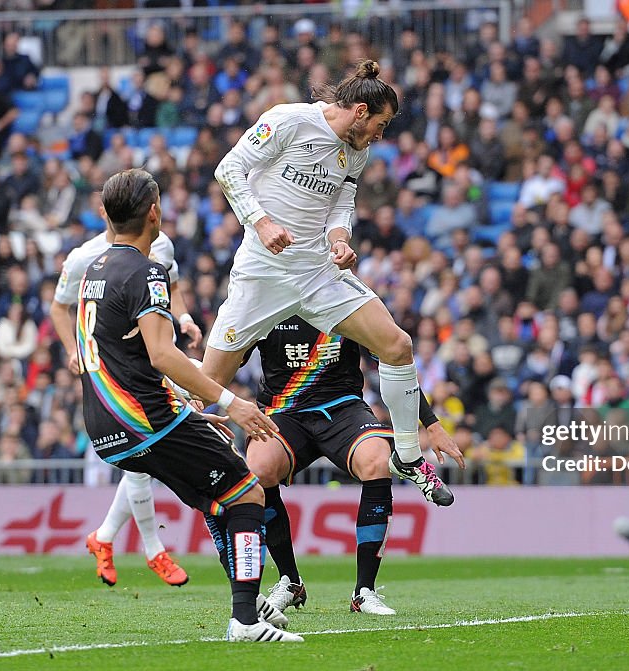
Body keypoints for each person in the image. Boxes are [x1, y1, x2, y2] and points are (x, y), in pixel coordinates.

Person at [205, 59, 453, 505]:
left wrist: (340, 240)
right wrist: (261, 224)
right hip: (263, 272)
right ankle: (171, 459)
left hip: (319, 272)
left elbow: (342, 202)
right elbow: (228, 169)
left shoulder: (356, 150)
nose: (381, 135)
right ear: (360, 111)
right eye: (379, 124)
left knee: (397, 345)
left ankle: (410, 458)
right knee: (205, 384)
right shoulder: (288, 120)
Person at [77, 169, 300, 643]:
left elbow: (121, 359)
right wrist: (230, 401)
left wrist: (186, 408)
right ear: (154, 211)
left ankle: (249, 596)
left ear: (107, 214)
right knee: (247, 492)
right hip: (146, 421)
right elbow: (161, 353)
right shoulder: (147, 271)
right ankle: (244, 619)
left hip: (105, 423)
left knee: (219, 498)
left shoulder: (93, 271)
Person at [244, 315, 465, 616]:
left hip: (343, 408)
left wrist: (432, 424)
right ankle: (290, 581)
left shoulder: (344, 301)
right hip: (283, 411)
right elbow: (226, 357)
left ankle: (364, 592)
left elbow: (396, 361)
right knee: (259, 468)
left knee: (376, 460)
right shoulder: (264, 301)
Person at [51, 219, 202, 588]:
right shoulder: (83, 257)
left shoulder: (160, 244)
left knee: (140, 462)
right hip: (115, 373)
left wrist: (183, 317)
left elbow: (174, 284)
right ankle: (152, 551)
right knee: (138, 459)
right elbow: (60, 308)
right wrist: (74, 350)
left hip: (153, 357)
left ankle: (105, 538)